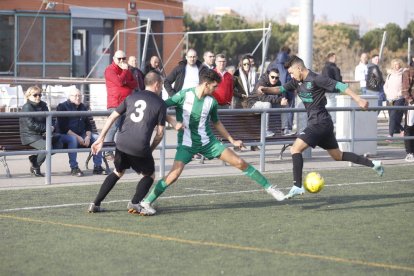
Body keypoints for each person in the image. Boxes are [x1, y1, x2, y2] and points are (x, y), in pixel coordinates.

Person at [137, 69, 285, 216]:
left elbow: (217, 123)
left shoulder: (211, 101)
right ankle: (147, 202)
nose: (216, 89)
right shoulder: (184, 95)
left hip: (209, 143)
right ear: (206, 84)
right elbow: (160, 107)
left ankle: (270, 188)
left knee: (239, 162)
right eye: (214, 86)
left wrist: (232, 140)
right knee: (173, 175)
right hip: (187, 144)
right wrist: (173, 121)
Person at [257, 55, 384, 199]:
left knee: (295, 149)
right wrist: (265, 89)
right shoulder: (296, 82)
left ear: (299, 68)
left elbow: (340, 85)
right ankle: (374, 164)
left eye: (292, 72)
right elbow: (280, 89)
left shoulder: (317, 79)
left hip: (320, 122)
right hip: (322, 124)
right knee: (338, 156)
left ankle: (297, 186)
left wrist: (358, 99)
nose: (291, 75)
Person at [88, 71, 167, 213]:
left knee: (118, 172)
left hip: (122, 142)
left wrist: (101, 138)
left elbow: (112, 117)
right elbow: (160, 134)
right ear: (157, 84)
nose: (161, 88)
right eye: (161, 85)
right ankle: (135, 203)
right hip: (139, 145)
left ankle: (95, 204)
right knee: (149, 175)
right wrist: (150, 149)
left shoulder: (131, 97)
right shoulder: (160, 104)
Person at [56, 88, 105, 177]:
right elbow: (63, 127)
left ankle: (97, 167)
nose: (78, 98)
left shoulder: (83, 107)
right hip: (65, 135)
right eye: (75, 96)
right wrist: (78, 137)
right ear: (69, 97)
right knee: (73, 139)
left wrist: (88, 137)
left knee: (97, 138)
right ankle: (74, 168)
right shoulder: (62, 106)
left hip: (81, 135)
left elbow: (88, 125)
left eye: (79, 96)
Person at [19, 86, 63, 177]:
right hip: (30, 136)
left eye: (39, 95)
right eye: (35, 95)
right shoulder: (27, 107)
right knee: (46, 147)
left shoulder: (43, 105)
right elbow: (31, 125)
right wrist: (47, 128)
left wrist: (52, 126)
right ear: (28, 96)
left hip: (43, 134)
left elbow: (50, 118)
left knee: (59, 144)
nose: (38, 97)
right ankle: (36, 166)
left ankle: (34, 159)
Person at [103, 50, 138, 161]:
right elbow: (119, 82)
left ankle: (120, 151)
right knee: (113, 127)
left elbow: (134, 84)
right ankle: (107, 152)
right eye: (119, 58)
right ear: (114, 59)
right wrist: (124, 73)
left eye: (124, 58)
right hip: (115, 103)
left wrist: (125, 80)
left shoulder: (126, 69)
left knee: (123, 129)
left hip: (127, 103)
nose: (122, 61)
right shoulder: (110, 70)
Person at [247, 68, 287, 139]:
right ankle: (265, 131)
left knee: (285, 104)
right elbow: (263, 98)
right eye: (272, 77)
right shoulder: (262, 82)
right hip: (253, 103)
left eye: (276, 78)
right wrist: (279, 100)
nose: (274, 79)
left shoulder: (278, 83)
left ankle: (285, 129)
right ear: (269, 75)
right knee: (267, 104)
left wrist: (283, 100)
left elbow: (281, 96)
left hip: (266, 104)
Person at [268, 46, 295, 135]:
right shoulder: (289, 63)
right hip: (288, 89)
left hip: (276, 89)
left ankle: (276, 129)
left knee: (276, 109)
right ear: (288, 53)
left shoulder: (273, 63)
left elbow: (267, 75)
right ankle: (288, 128)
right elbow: (292, 77)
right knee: (289, 109)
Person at [383, 58, 409, 139]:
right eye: (394, 65)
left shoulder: (403, 74)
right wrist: (387, 93)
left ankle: (390, 135)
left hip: (398, 98)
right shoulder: (390, 75)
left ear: (400, 65)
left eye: (397, 64)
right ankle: (402, 130)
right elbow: (385, 86)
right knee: (392, 117)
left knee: (393, 116)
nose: (396, 66)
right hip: (389, 98)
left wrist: (399, 94)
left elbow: (404, 87)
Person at [321, 52, 342, 125]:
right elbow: (338, 80)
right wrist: (343, 87)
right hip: (333, 90)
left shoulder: (324, 68)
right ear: (332, 58)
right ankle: (333, 121)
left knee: (329, 104)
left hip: (326, 90)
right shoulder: (334, 68)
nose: (336, 59)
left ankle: (325, 118)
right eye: (335, 58)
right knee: (333, 105)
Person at [402, 58, 414, 162]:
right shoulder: (408, 72)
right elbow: (405, 90)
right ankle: (410, 152)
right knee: (409, 127)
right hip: (412, 104)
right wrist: (410, 101)